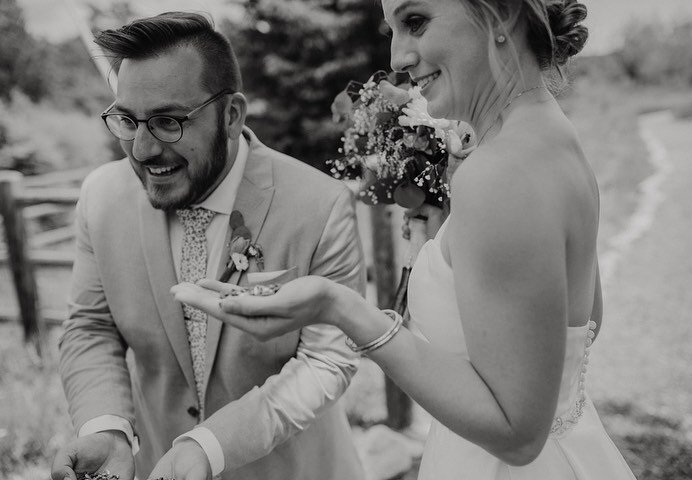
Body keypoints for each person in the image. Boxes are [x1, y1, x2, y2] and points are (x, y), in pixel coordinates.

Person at [173, 1, 639, 479]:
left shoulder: (498, 175)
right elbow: (580, 325)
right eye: (392, 29)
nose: (397, 57)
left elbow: (517, 433)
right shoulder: (551, 134)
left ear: (501, 15)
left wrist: (341, 308)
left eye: (415, 22)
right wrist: (450, 240)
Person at [51, 12, 367, 480]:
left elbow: (328, 360)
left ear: (232, 115)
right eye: (127, 120)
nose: (141, 149)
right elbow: (91, 326)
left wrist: (212, 445)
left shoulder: (321, 207)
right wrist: (107, 428)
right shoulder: (101, 198)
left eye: (167, 122)